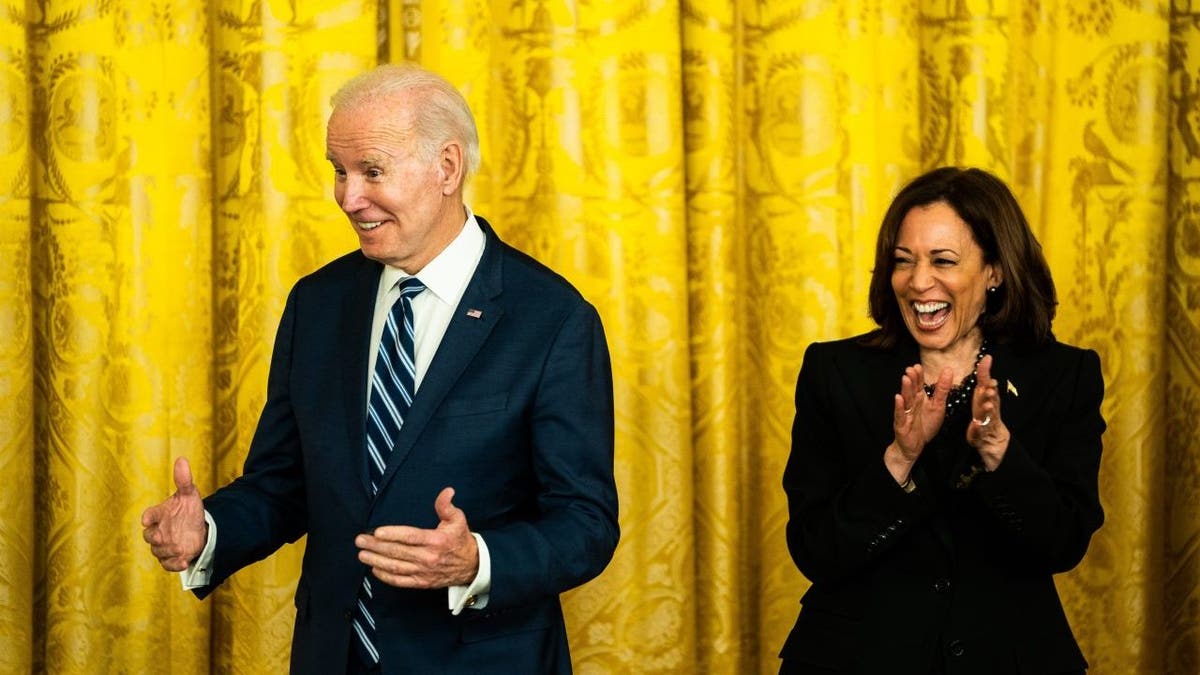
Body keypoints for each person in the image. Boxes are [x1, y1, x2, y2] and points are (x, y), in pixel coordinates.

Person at [141, 63, 619, 674]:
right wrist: (207, 530)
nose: (347, 197)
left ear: (447, 168)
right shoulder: (318, 303)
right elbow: (283, 483)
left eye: (371, 171)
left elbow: (585, 524)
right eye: (338, 171)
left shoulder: (552, 318)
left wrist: (478, 561)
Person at [779, 167, 1105, 674]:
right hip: (855, 659)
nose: (918, 281)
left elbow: (1064, 543)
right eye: (903, 261)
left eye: (944, 261)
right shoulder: (835, 371)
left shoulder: (1064, 375)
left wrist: (999, 452)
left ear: (995, 270)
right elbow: (814, 549)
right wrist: (898, 459)